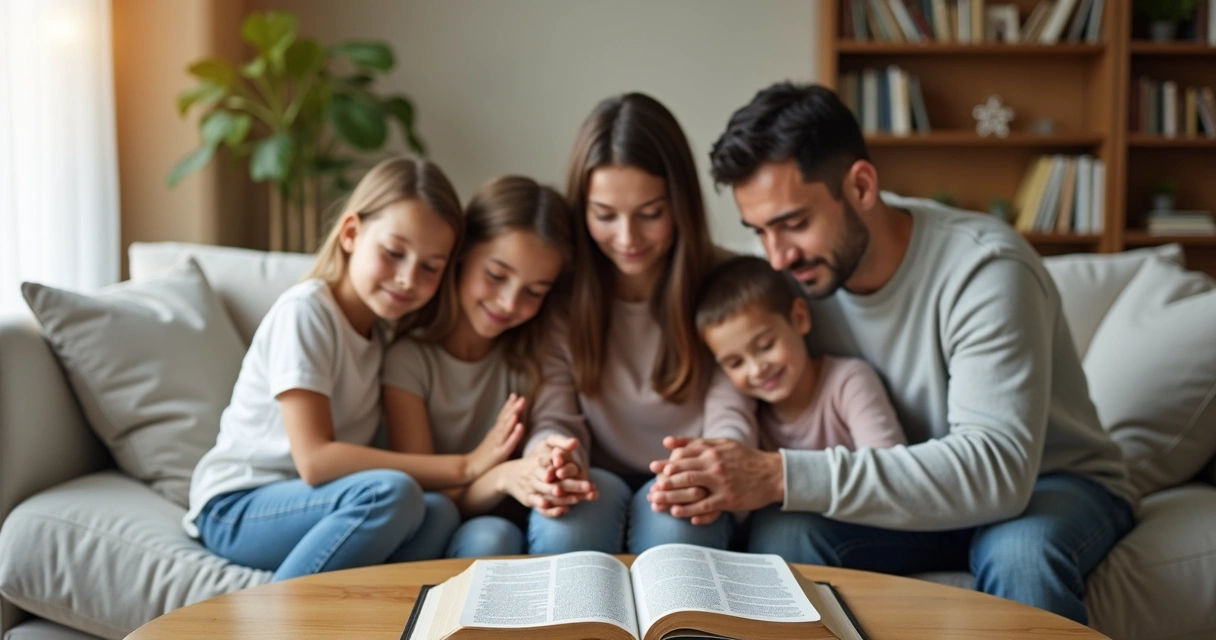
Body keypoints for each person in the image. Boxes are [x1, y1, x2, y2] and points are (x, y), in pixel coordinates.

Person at [649, 82, 1135, 624]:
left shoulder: (986, 270)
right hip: (906, 503)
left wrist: (779, 474)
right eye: (760, 231)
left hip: (1047, 484)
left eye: (795, 224)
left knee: (1020, 554)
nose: (778, 256)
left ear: (861, 186)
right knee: (786, 532)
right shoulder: (795, 276)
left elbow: (995, 473)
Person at [183, 157, 464, 581]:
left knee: (439, 512)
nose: (408, 278)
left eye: (430, 267)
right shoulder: (307, 311)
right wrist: (465, 467)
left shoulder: (381, 336)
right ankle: (285, 614)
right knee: (392, 493)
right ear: (351, 234)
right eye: (393, 253)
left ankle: (382, 615)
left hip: (319, 503)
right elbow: (315, 461)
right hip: (237, 506)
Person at [523, 92, 759, 555]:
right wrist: (553, 456)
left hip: (687, 471)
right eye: (605, 215)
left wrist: (713, 461)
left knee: (678, 534)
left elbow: (731, 410)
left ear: (680, 205)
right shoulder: (560, 291)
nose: (627, 238)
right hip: (594, 473)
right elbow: (554, 412)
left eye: (651, 214)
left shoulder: (726, 282)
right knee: (567, 529)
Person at [381, 175, 581, 558]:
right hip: (428, 524)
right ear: (461, 254)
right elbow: (431, 496)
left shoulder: (530, 360)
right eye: (496, 276)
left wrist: (550, 463)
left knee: (495, 534)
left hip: (497, 521)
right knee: (489, 535)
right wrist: (503, 476)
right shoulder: (409, 360)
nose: (509, 303)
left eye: (534, 292)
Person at [694, 255, 905, 454]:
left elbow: (888, 467)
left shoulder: (849, 382)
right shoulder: (743, 400)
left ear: (799, 318)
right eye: (735, 363)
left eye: (766, 346)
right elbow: (722, 452)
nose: (756, 370)